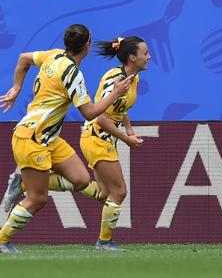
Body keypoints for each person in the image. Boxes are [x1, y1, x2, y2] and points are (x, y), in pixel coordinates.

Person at [0, 24, 133, 254]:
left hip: (48, 138)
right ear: (87, 46)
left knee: (81, 180)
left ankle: (21, 182)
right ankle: (2, 240)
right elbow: (90, 113)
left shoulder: (53, 55)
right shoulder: (73, 75)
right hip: (32, 138)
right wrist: (115, 94)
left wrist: (16, 88)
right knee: (37, 199)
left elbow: (23, 59)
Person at [78, 36, 149, 250]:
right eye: (145, 53)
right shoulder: (115, 79)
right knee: (119, 192)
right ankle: (104, 242)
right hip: (97, 137)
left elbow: (120, 107)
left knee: (104, 194)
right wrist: (126, 139)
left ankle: (53, 182)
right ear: (132, 57)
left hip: (101, 137)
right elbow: (101, 117)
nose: (149, 57)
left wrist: (127, 127)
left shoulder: (132, 77)